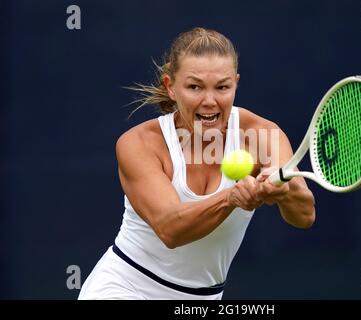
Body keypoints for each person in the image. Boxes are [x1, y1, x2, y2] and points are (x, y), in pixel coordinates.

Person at [78, 27, 315, 300]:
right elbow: (171, 229)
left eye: (222, 87)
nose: (210, 101)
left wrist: (286, 192)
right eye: (195, 87)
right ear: (170, 87)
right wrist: (231, 198)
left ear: (236, 84)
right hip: (125, 287)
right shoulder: (139, 143)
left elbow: (304, 216)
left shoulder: (263, 135)